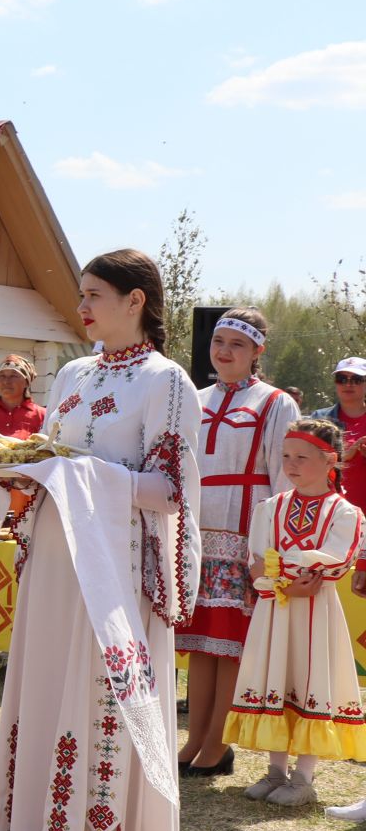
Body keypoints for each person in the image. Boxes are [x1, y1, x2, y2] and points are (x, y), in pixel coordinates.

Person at [0, 248, 199, 831]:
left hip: (112, 573)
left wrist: (78, 475)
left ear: (136, 301)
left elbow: (169, 492)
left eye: (95, 294)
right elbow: (51, 457)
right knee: (49, 693)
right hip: (55, 560)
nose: (83, 305)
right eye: (82, 292)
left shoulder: (167, 384)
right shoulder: (73, 374)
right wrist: (21, 470)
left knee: (91, 702)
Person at [174, 309, 297, 776]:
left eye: (237, 344)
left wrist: (272, 547)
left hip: (245, 529)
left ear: (257, 351)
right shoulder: (194, 398)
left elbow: (283, 475)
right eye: (218, 341)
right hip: (198, 530)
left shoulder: (275, 403)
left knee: (229, 644)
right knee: (201, 641)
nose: (224, 351)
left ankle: (219, 744)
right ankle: (195, 739)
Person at [219, 419, 362, 808]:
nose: (291, 464)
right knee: (276, 677)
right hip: (275, 610)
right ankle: (275, 772)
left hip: (315, 612)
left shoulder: (343, 512)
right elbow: (255, 561)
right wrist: (279, 579)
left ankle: (303, 778)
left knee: (309, 676)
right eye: (285, 456)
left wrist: (279, 574)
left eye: (302, 457)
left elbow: (333, 562)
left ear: (330, 460)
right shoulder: (271, 508)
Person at [308, 357, 366, 510]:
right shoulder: (319, 420)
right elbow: (305, 461)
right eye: (341, 379)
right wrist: (342, 456)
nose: (348, 384)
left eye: (356, 379)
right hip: (328, 511)